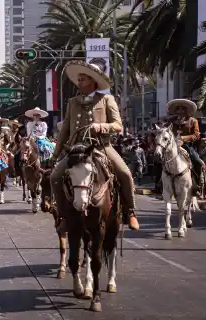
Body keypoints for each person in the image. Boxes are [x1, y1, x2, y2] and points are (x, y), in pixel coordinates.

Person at [50, 60, 140, 231]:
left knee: (125, 173)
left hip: (101, 147)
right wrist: (55, 155)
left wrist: (100, 127)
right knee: (55, 176)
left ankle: (131, 212)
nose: (80, 82)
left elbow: (118, 125)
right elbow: (65, 131)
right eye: (79, 79)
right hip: (76, 149)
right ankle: (62, 217)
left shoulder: (106, 99)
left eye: (83, 79)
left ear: (93, 81)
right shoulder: (72, 102)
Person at [167, 99, 203, 195]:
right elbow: (166, 132)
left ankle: (197, 186)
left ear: (186, 110)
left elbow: (196, 135)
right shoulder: (171, 121)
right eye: (178, 109)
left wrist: (184, 138)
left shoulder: (193, 121)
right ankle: (160, 184)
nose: (180, 111)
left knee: (197, 161)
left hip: (187, 146)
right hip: (172, 145)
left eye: (182, 109)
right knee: (160, 159)